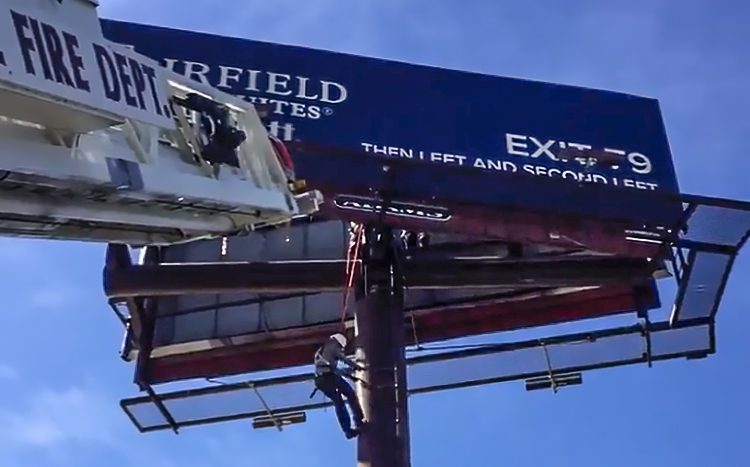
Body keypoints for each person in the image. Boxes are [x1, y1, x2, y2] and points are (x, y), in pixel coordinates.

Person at [313, 333, 366, 439]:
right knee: (350, 394)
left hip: (321, 381)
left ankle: (348, 430)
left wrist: (350, 374)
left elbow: (333, 369)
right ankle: (359, 420)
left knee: (339, 403)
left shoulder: (323, 350)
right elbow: (343, 359)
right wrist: (357, 367)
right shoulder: (333, 346)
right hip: (329, 378)